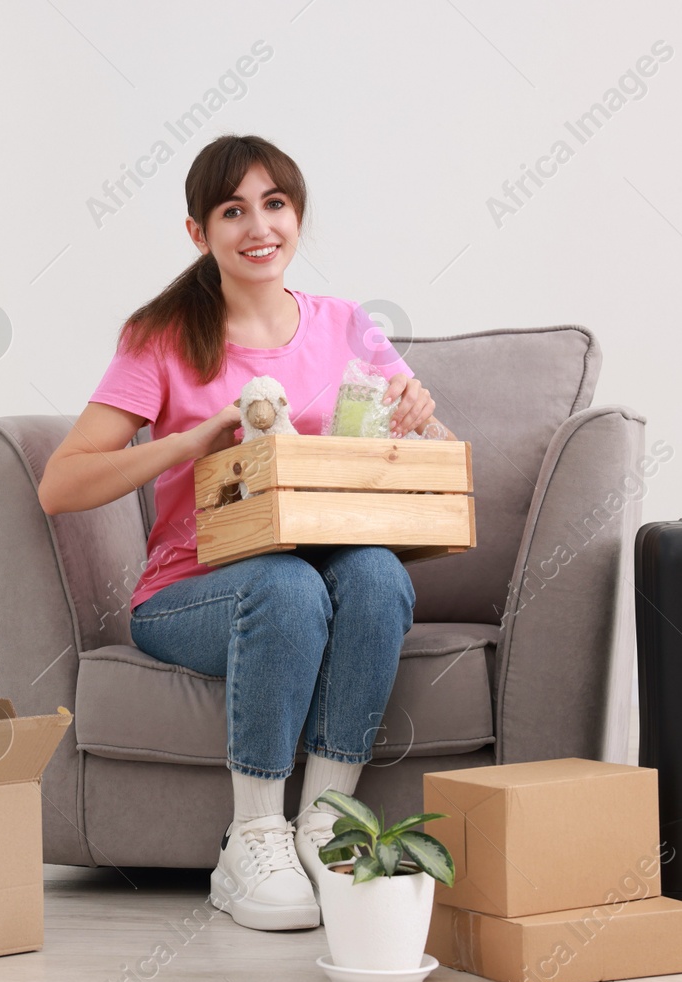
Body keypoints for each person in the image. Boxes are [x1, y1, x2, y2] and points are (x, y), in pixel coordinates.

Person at [37, 134, 448, 931]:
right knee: (286, 583)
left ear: (296, 217)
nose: (258, 226)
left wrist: (421, 419)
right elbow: (62, 483)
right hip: (191, 593)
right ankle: (253, 836)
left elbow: (413, 462)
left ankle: (326, 822)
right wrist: (195, 440)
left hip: (325, 566)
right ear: (199, 232)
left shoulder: (347, 326)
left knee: (375, 574)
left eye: (275, 204)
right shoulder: (160, 337)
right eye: (233, 210)